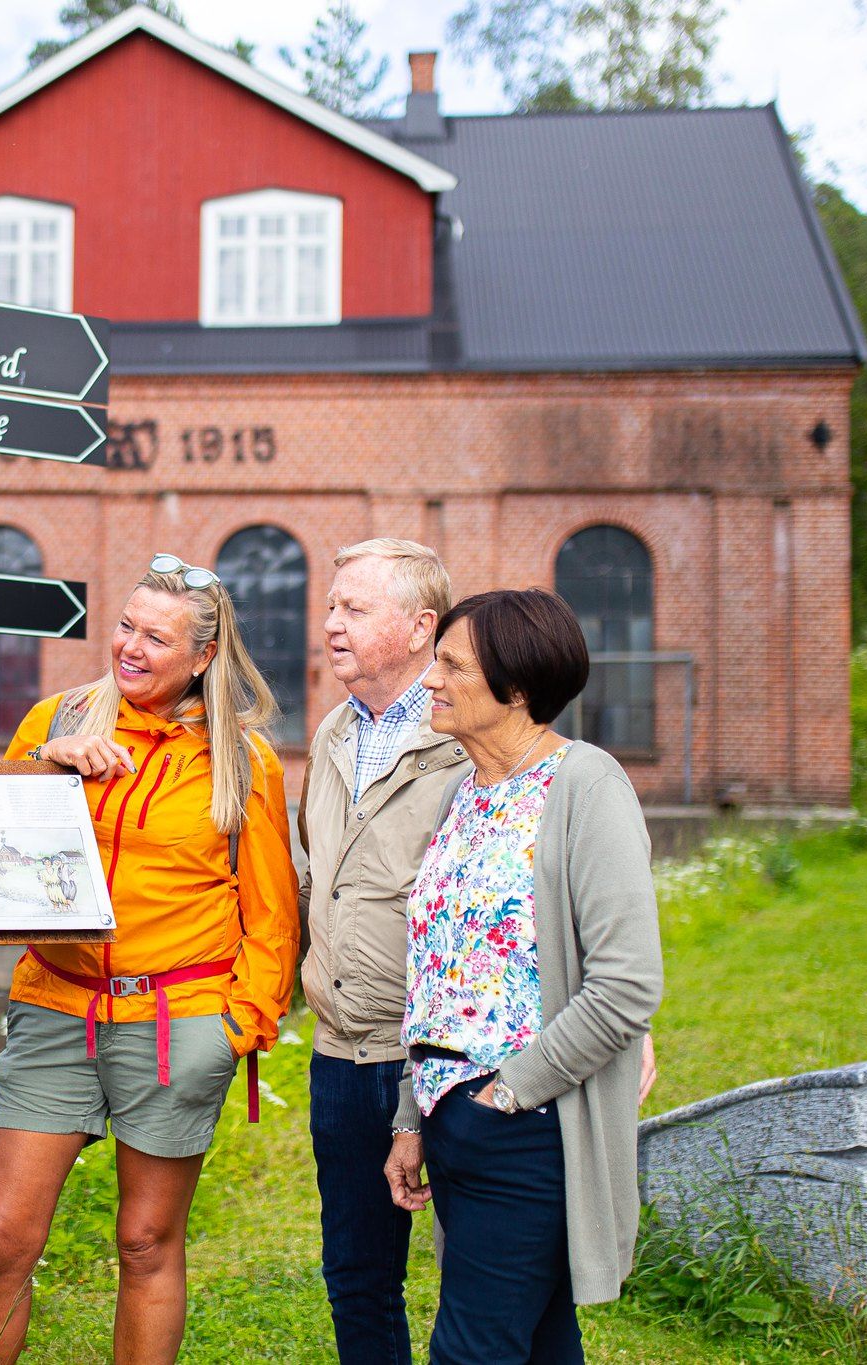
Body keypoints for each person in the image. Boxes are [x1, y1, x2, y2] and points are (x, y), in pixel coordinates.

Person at [0, 554, 299, 1365]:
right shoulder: (58, 717)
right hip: (57, 1006)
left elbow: (273, 912)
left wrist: (238, 1025)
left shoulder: (243, 762)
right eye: (126, 626)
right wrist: (50, 765)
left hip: (179, 1019)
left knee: (146, 1241)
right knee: (0, 1237)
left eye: (157, 636)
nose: (132, 647)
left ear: (202, 656)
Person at [384, 589, 663, 1365]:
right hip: (455, 1115)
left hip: (529, 1125)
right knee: (540, 1345)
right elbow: (440, 975)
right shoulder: (460, 794)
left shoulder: (588, 787)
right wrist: (413, 1114)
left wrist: (509, 1091)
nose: (430, 680)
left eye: (451, 664)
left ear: (516, 688)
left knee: (471, 1348)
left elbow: (627, 982)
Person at [296, 539, 468, 1364]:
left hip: (441, 1056)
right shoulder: (331, 732)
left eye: (353, 608)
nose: (329, 624)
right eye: (331, 606)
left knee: (479, 1274)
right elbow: (311, 878)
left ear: (417, 627)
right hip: (340, 1053)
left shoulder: (467, 744)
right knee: (357, 1275)